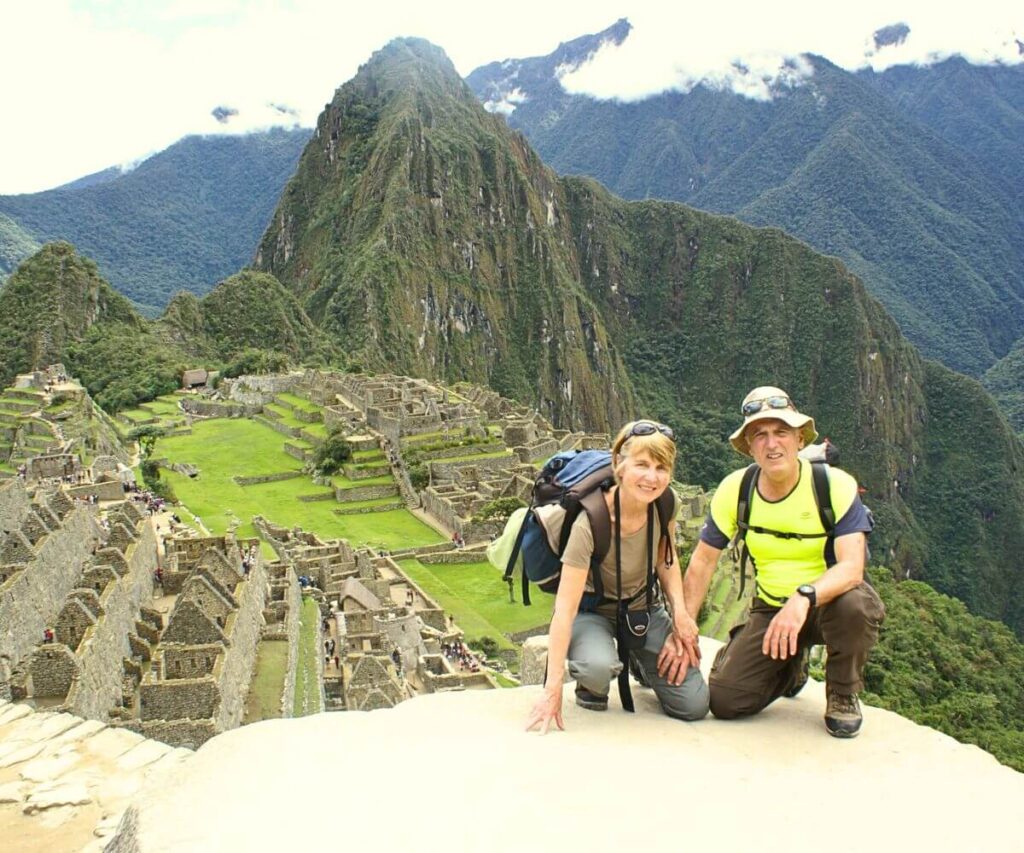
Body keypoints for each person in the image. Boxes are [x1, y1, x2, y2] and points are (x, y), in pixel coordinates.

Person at [682, 387, 885, 738]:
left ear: (800, 439)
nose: (771, 444)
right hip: (772, 608)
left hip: (828, 605)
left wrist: (804, 597)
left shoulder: (834, 486)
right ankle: (791, 667)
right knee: (726, 701)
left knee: (856, 605)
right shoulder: (736, 490)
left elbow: (852, 568)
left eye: (781, 433)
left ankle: (842, 692)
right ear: (748, 446)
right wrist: (684, 628)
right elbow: (702, 562)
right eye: (759, 435)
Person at [526, 421, 709, 733]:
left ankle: (639, 659)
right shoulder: (590, 523)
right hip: (592, 610)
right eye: (642, 465)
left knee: (693, 705)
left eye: (661, 467)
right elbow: (565, 608)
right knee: (597, 669)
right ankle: (590, 683)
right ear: (620, 465)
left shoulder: (666, 504)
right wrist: (552, 687)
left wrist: (680, 612)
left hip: (643, 609)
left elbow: (667, 560)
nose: (652, 478)